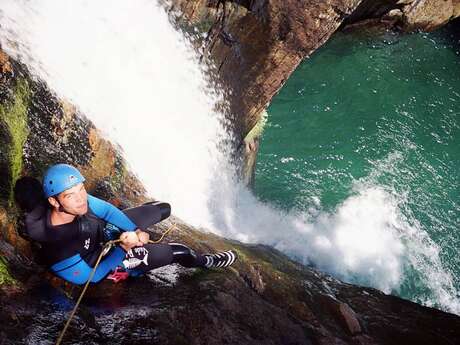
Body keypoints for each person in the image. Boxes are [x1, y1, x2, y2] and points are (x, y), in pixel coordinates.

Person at [14, 163, 237, 285]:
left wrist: (133, 230)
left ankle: (131, 232)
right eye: (71, 195)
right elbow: (89, 278)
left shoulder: (77, 202)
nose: (81, 198)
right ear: (54, 201)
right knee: (180, 251)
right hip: (102, 257)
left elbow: (108, 210)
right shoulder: (59, 247)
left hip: (104, 230)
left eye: (81, 189)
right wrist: (124, 248)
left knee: (163, 208)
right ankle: (206, 261)